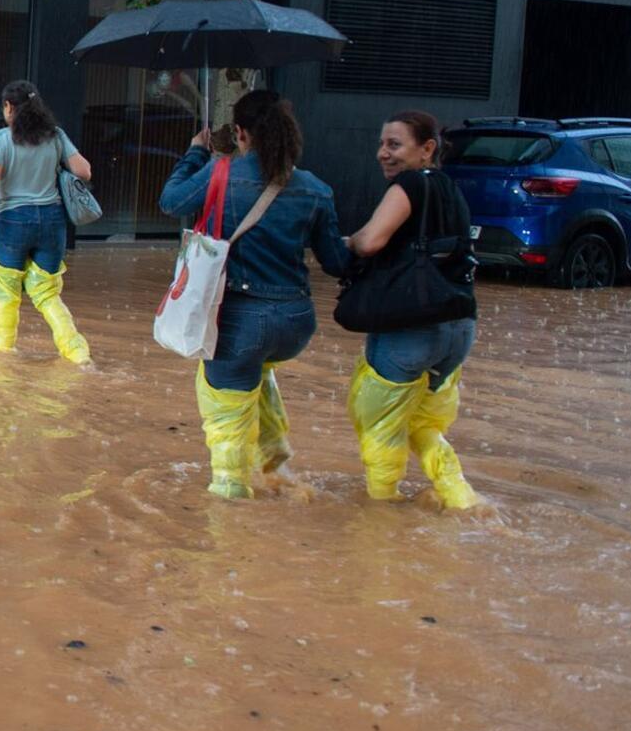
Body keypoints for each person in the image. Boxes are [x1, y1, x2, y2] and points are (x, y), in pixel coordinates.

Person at [159, 89, 349, 499]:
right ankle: (276, 466)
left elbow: (171, 201)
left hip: (241, 322)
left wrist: (195, 152)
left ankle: (231, 505)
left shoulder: (221, 173)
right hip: (295, 323)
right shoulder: (316, 188)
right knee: (257, 373)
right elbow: (337, 262)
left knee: (225, 412)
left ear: (241, 133)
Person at [342, 110, 480, 509]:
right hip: (458, 330)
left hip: (411, 327)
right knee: (422, 425)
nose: (383, 154)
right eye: (382, 144)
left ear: (428, 148)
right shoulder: (452, 190)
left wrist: (349, 241)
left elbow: (371, 241)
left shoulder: (409, 185)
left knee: (378, 425)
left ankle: (381, 514)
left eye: (394, 145)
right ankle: (462, 500)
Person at [0, 80, 93, 363]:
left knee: (4, 288)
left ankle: (4, 352)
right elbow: (84, 171)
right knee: (47, 292)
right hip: (52, 221)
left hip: (13, 222)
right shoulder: (56, 135)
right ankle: (78, 354)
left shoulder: (2, 139)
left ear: (8, 107)